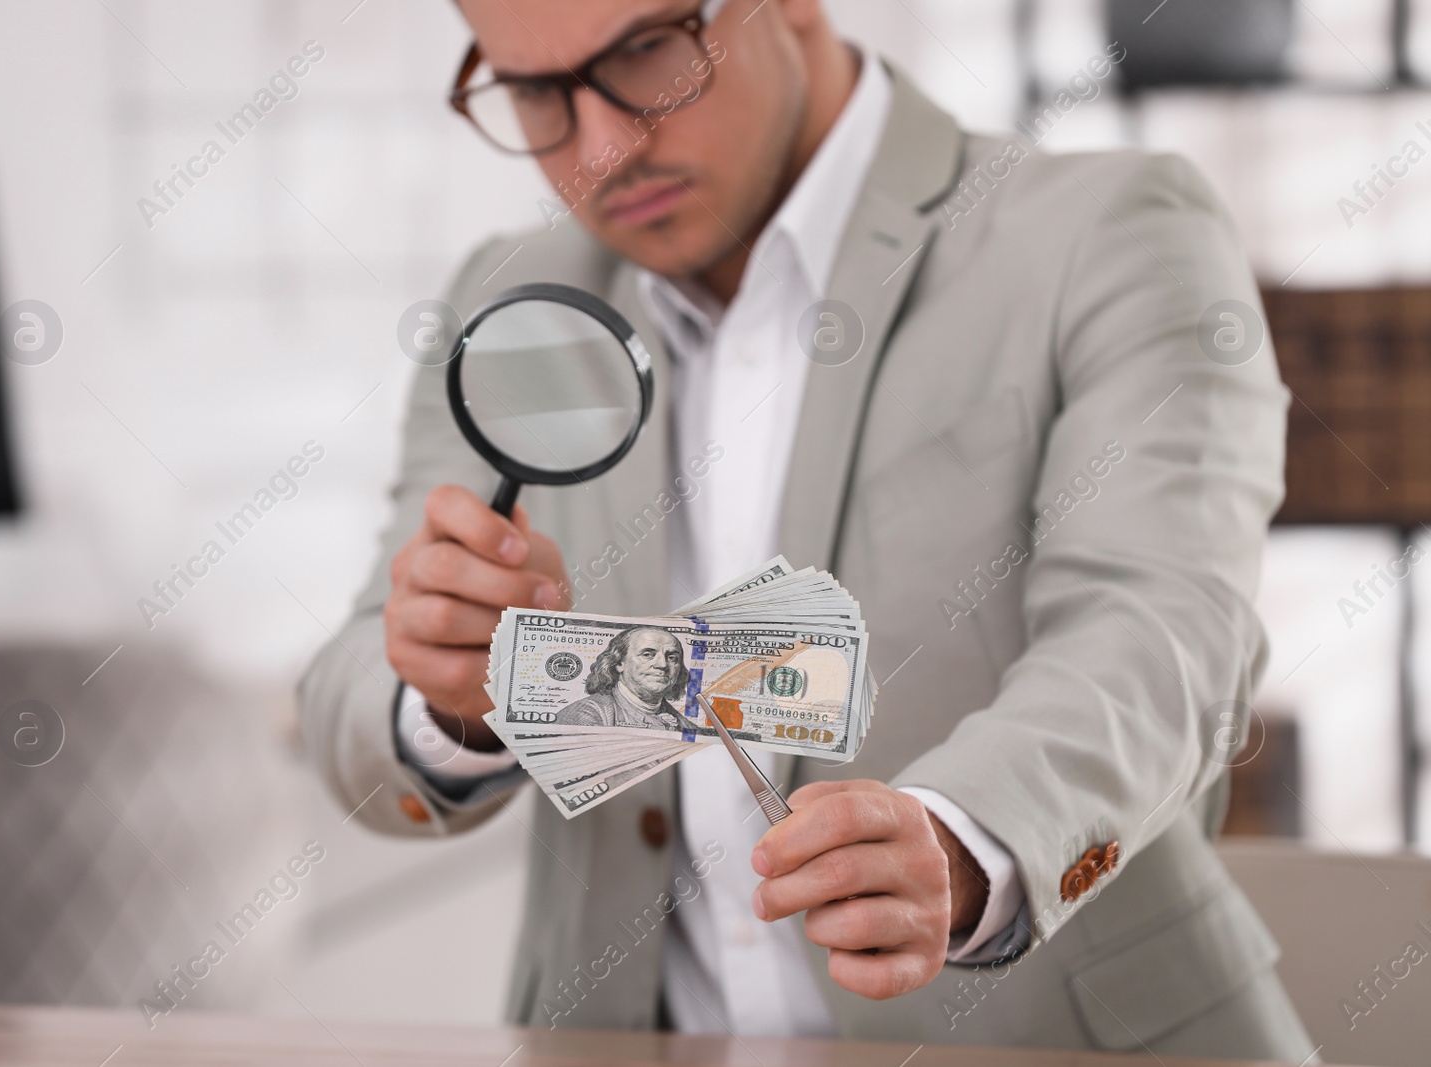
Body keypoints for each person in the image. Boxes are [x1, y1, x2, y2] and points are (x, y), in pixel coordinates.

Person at [300, 0, 1313, 1057]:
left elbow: (1166, 630)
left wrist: (961, 840)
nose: (600, 150)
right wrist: (456, 700)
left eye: (645, 53)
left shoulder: (1108, 229)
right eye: (536, 92)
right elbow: (348, 691)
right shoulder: (511, 297)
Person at [555, 627, 688, 730]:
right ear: (619, 663)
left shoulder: (687, 727)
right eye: (648, 654)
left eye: (672, 658)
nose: (662, 664)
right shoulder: (586, 715)